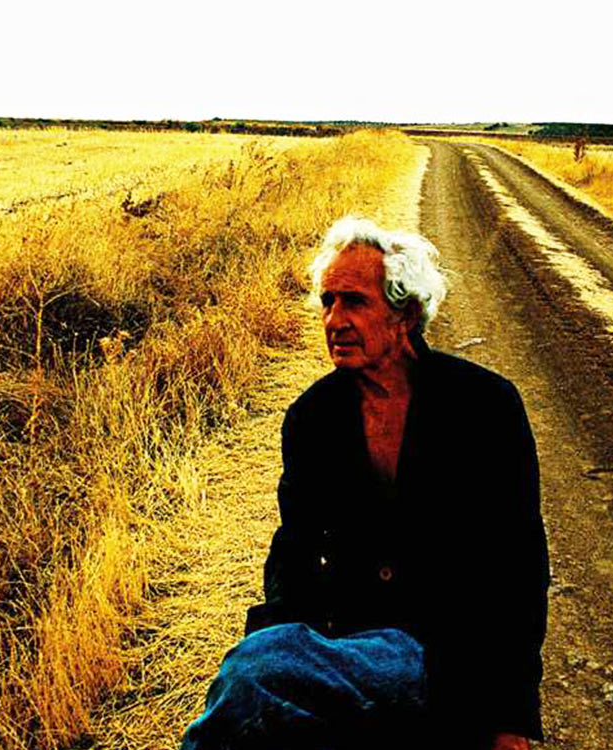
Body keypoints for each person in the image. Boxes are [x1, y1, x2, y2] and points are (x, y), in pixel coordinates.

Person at [180, 217, 550, 750]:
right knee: (255, 673)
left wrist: (511, 716)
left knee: (254, 674)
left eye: (354, 302)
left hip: (446, 655)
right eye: (327, 302)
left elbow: (519, 565)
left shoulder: (485, 407)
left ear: (405, 313)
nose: (334, 320)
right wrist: (286, 645)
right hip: (347, 648)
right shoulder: (312, 418)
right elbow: (294, 551)